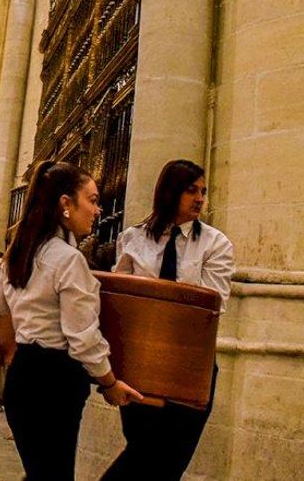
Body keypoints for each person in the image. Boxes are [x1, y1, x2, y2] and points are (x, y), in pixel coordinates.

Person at [0, 161, 142, 481]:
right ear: (66, 203)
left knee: (41, 473)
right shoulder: (68, 260)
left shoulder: (20, 252)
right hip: (55, 384)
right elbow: (82, 337)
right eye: (91, 200)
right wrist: (109, 383)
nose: (98, 209)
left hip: (22, 379)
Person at [101, 159, 235, 481]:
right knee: (143, 448)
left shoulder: (215, 244)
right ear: (170, 192)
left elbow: (211, 305)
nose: (200, 198)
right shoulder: (133, 239)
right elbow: (122, 298)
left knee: (170, 461)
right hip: (140, 363)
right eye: (192, 190)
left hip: (190, 365)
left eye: (203, 191)